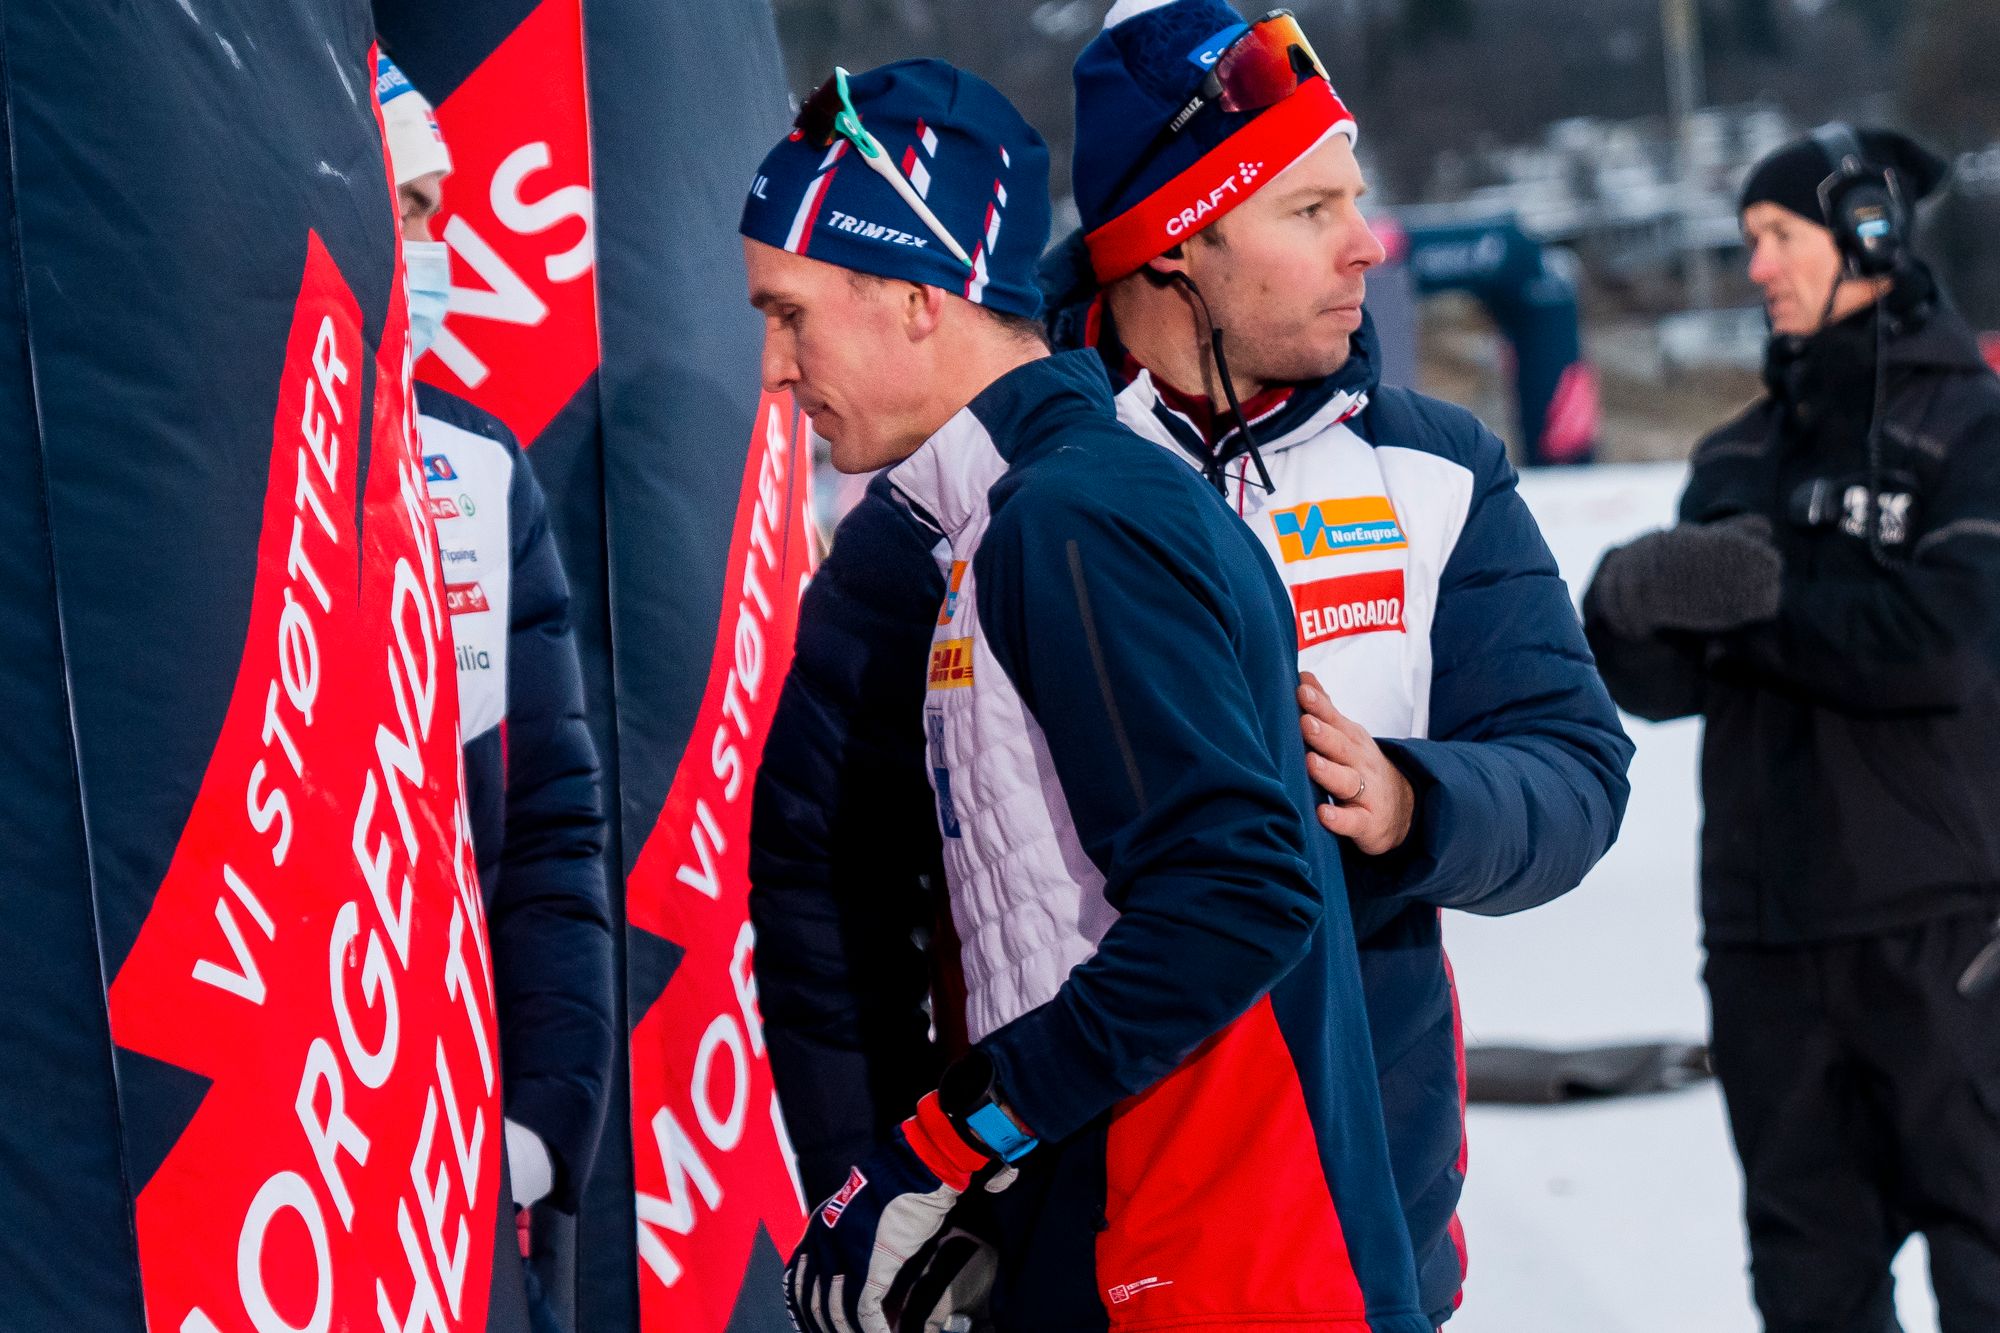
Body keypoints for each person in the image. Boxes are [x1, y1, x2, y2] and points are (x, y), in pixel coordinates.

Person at [749, 8, 1634, 1330]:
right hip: (1083, 1211)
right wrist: (891, 1186)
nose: (1364, 244)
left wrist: (1416, 806)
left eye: (1359, 200)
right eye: (1310, 205)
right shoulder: (974, 491)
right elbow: (825, 881)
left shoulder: (1427, 466)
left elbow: (1576, 771)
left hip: (1341, 1198)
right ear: (1182, 236)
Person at [1583, 126, 2000, 1332]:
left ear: (1865, 232)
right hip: (1764, 947)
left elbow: (1944, 644)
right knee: (1807, 1288)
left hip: (1941, 937)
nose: (1753, 265)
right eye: (1748, 239)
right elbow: (1659, 681)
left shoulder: (1970, 433)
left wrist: (1761, 599)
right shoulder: (1735, 455)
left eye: (1776, 236)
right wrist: (1625, 602)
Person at [381, 55, 616, 1332]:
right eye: (410, 206)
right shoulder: (188, 453)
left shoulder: (477, 469)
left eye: (443, 205)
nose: (439, 245)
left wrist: (545, 1117)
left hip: (462, 1171)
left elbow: (551, 834)